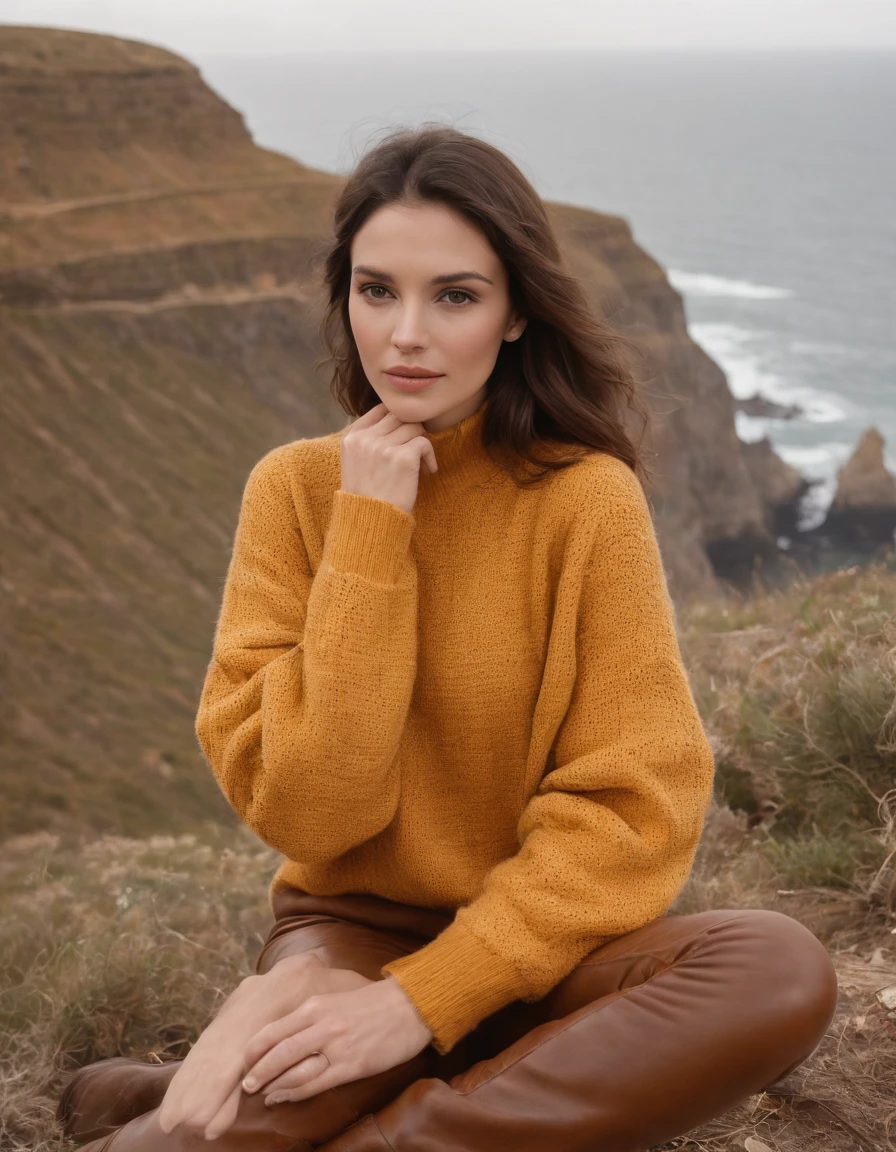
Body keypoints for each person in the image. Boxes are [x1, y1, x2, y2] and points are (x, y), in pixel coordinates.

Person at [56, 124, 839, 1152]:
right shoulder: (294, 492)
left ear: (515, 313)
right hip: (351, 936)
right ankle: (177, 1093)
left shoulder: (583, 498)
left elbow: (631, 801)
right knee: (188, 1140)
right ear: (344, 297)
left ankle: (364, 1126)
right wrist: (370, 531)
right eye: (376, 291)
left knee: (776, 968)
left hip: (550, 946)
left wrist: (424, 1003)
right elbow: (313, 809)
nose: (405, 335)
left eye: (454, 297)